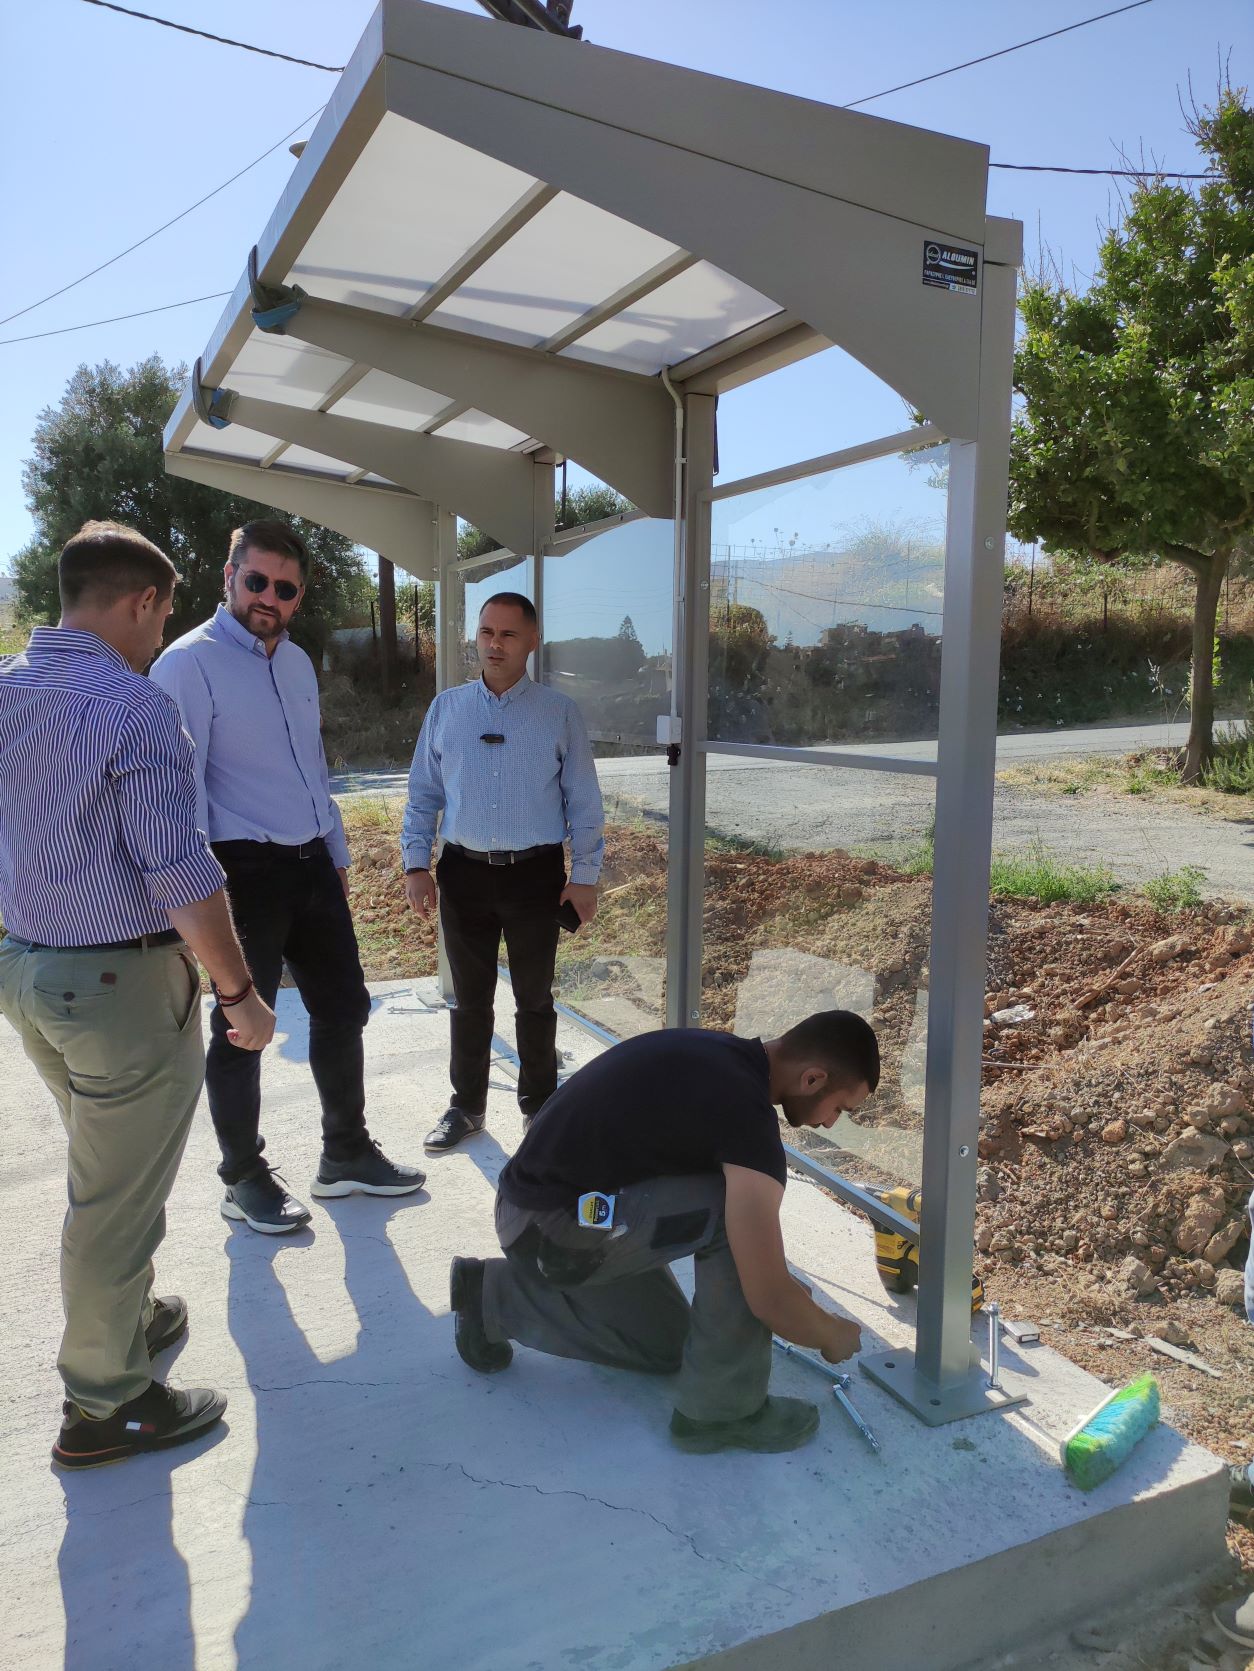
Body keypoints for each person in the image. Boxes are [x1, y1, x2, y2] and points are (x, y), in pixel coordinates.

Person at [0, 521, 276, 1469]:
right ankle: (106, 1402)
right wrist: (239, 993)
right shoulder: (133, 706)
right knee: (113, 1197)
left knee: (111, 1163)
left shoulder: (5, 688)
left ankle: (128, 1316)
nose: (160, 637)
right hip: (117, 985)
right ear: (142, 601)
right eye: (161, 618)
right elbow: (180, 875)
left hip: (28, 971)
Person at [151, 520, 425, 1234]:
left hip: (311, 864)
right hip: (240, 871)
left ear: (299, 597)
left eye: (285, 588)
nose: (268, 597)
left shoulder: (298, 663)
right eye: (256, 581)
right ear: (229, 576)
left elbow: (312, 765)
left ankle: (345, 1155)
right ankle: (242, 1178)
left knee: (344, 1008)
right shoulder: (188, 665)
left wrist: (335, 852)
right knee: (243, 1026)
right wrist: (197, 898)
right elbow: (178, 795)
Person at [449, 1010, 879, 1454]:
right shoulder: (745, 1114)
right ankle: (723, 1410)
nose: (832, 1123)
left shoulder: (718, 1055)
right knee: (732, 1210)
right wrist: (829, 1333)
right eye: (840, 1108)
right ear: (812, 1078)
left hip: (538, 1214)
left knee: (670, 1346)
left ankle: (490, 1296)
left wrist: (782, 1296)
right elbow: (768, 1297)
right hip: (555, 1229)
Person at [402, 591, 604, 1153]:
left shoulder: (559, 713)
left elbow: (584, 799)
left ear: (532, 641)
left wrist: (585, 875)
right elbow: (423, 794)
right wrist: (416, 863)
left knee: (534, 999)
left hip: (534, 876)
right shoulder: (446, 709)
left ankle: (540, 1107)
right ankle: (466, 1106)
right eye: (487, 632)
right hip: (462, 875)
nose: (495, 644)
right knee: (469, 1000)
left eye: (509, 634)